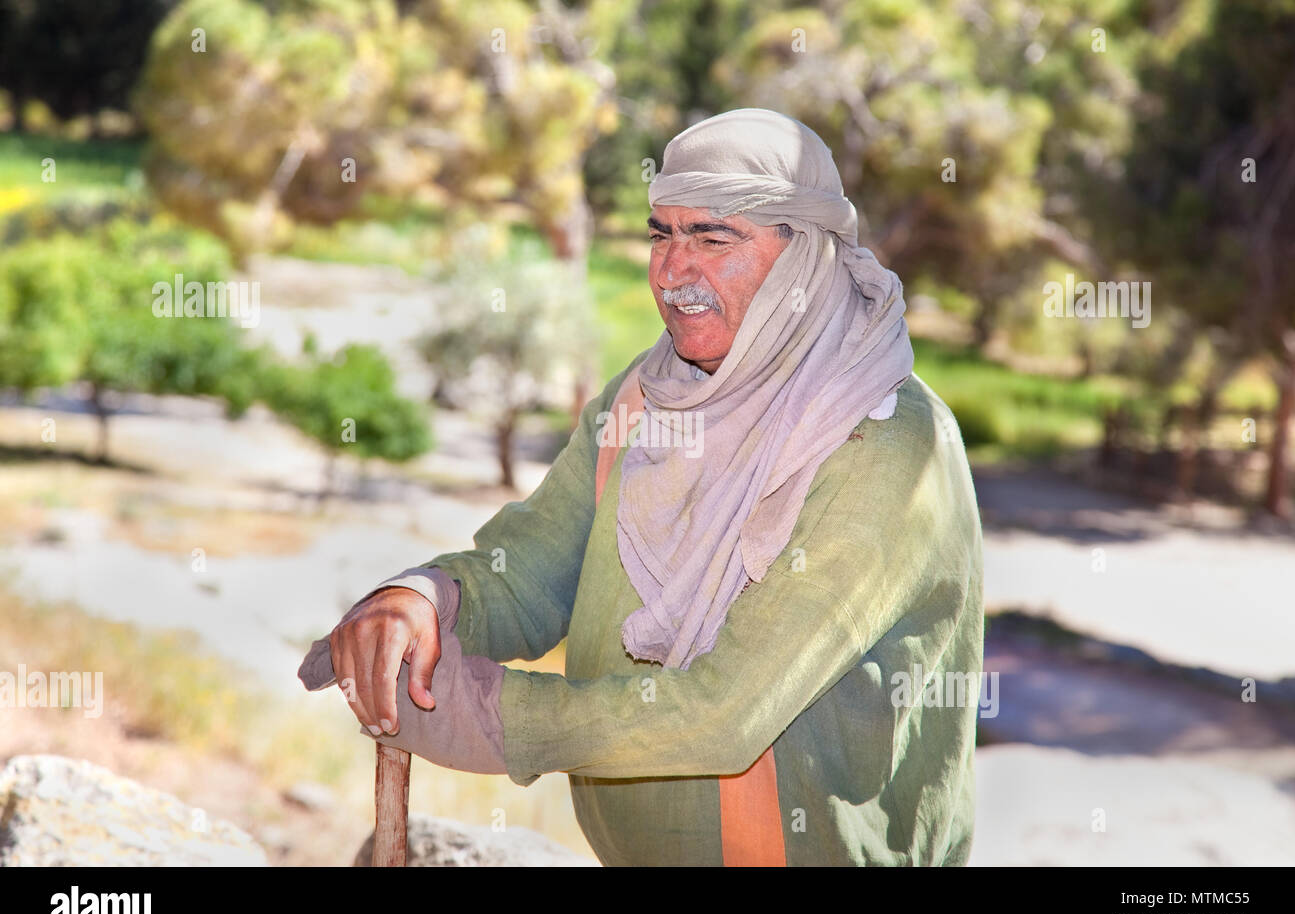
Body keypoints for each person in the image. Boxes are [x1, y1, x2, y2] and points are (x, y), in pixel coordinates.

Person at [298, 108, 984, 866]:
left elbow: (724, 714)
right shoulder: (649, 396)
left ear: (805, 259)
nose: (672, 270)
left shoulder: (884, 440)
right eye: (662, 234)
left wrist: (486, 716)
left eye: (713, 238)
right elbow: (532, 572)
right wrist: (424, 602)